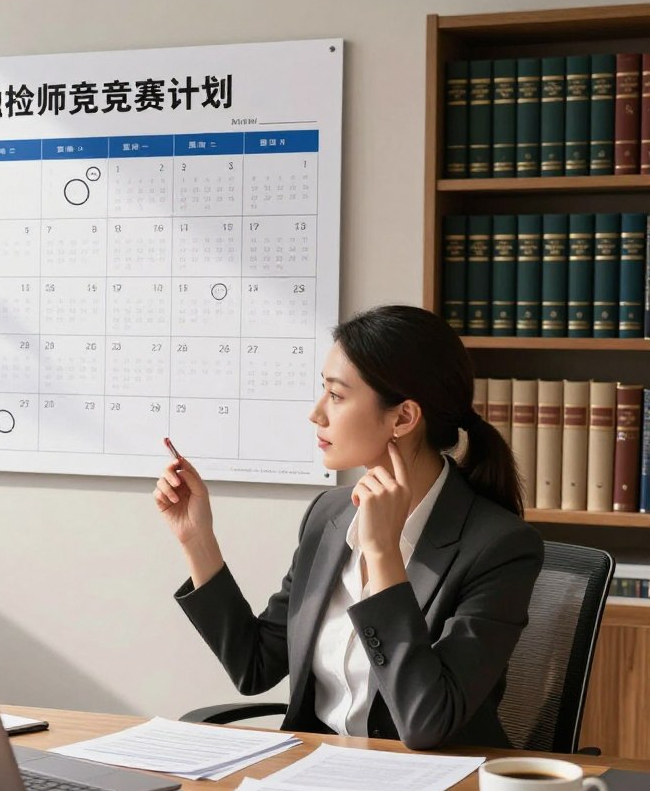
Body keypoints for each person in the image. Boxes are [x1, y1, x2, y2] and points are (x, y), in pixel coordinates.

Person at [154, 304, 543, 750]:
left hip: (435, 788)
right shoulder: (329, 515)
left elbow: (427, 721)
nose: (316, 414)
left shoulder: (499, 546)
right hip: (318, 774)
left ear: (403, 418)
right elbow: (255, 666)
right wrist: (197, 538)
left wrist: (382, 556)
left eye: (337, 396)